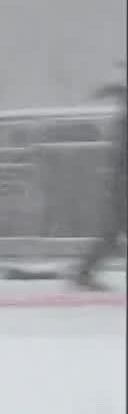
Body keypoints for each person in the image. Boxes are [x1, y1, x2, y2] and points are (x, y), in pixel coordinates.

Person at [71, 78, 125, 290]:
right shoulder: (124, 123)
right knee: (111, 234)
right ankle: (83, 273)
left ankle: (83, 273)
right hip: (122, 185)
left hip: (119, 184)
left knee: (111, 234)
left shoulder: (122, 122)